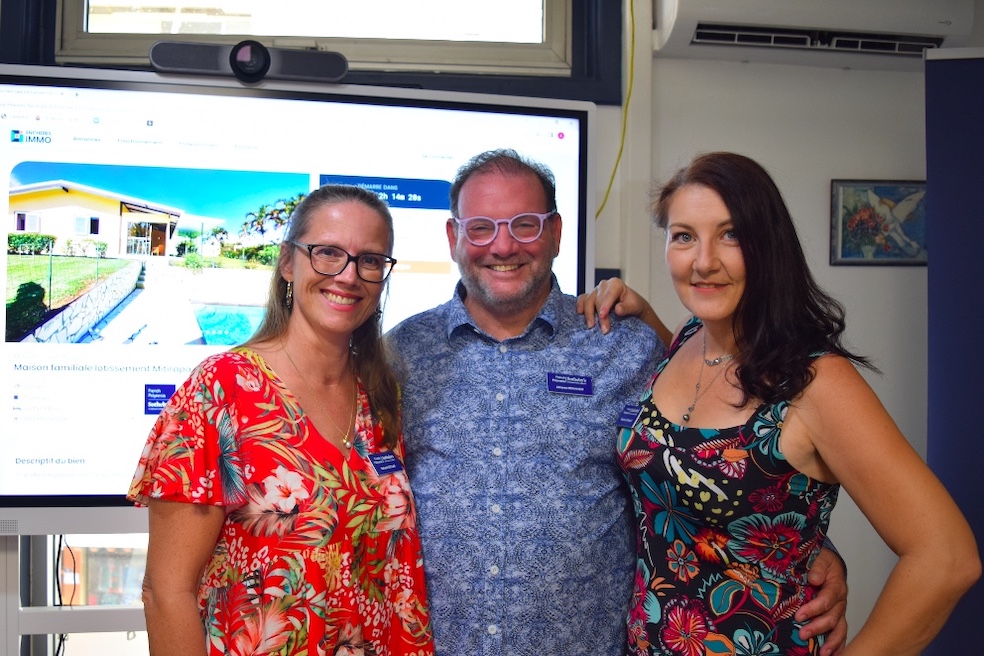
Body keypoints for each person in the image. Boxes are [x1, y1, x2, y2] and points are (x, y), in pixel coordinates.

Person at [386, 149, 849, 656]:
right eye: (480, 228)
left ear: (557, 232)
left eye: (524, 224)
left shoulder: (625, 346)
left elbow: (710, 454)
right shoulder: (401, 355)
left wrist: (809, 547)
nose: (502, 246)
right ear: (453, 237)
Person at [584, 152, 980, 655]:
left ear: (769, 246)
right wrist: (642, 311)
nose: (703, 261)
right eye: (684, 236)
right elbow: (680, 445)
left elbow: (947, 557)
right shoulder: (688, 339)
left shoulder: (816, 383)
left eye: (730, 235)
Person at [129, 185, 435, 656]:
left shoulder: (381, 396)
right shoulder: (222, 390)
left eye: (370, 260)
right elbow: (166, 592)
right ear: (288, 263)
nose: (349, 275)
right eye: (328, 252)